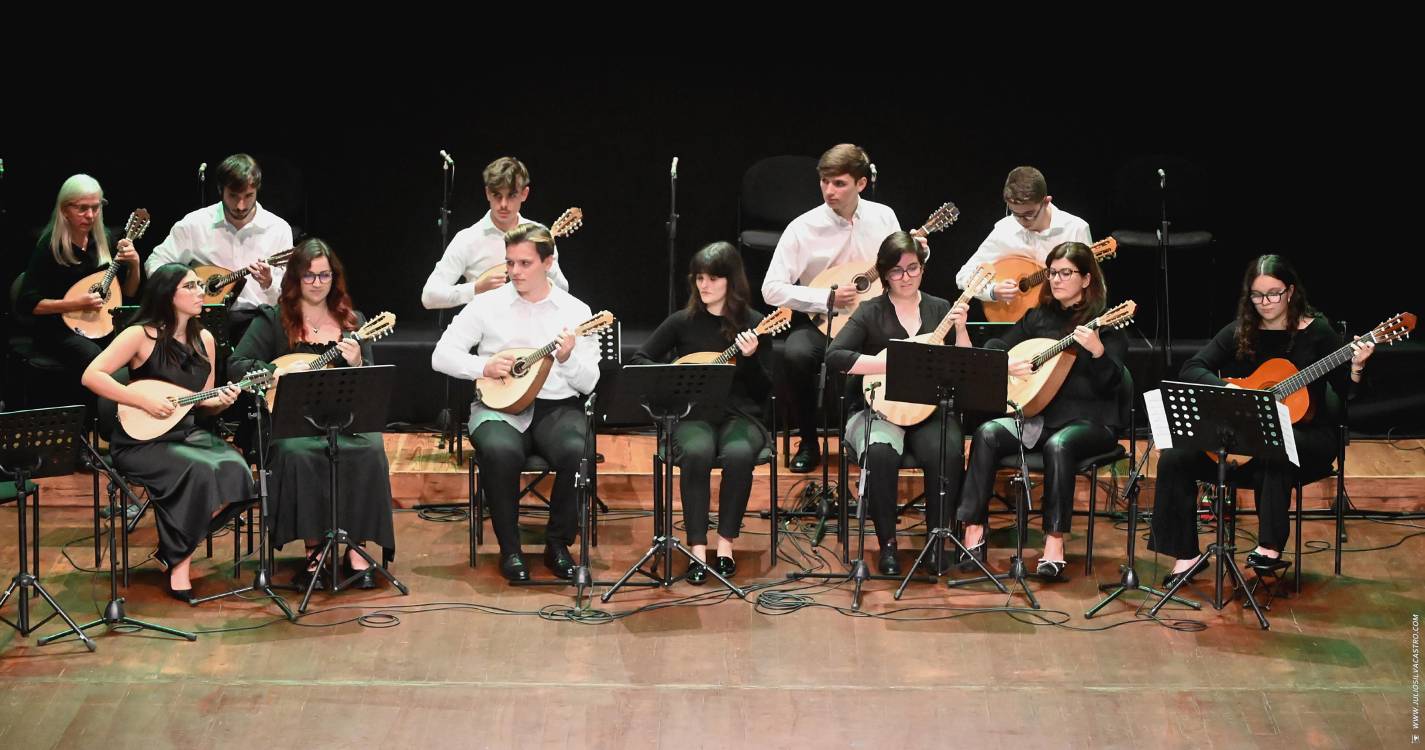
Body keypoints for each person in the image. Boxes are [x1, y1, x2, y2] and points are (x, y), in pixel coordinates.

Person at [431, 223, 600, 582]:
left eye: (525, 264)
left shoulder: (575, 311)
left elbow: (590, 382)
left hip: (556, 406)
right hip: (497, 407)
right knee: (500, 452)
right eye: (510, 263)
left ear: (548, 262)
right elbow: (441, 355)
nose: (515, 272)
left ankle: (557, 545)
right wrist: (484, 365)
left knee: (576, 448)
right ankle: (511, 551)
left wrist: (568, 358)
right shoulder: (487, 305)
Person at [630, 242, 772, 583]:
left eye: (712, 278)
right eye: (699, 278)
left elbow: (764, 390)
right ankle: (697, 550)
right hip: (692, 416)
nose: (703, 286)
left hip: (741, 414)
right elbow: (640, 360)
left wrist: (750, 360)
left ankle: (724, 546)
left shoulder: (754, 324)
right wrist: (676, 372)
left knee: (738, 455)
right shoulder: (683, 322)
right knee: (697, 452)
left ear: (731, 281)